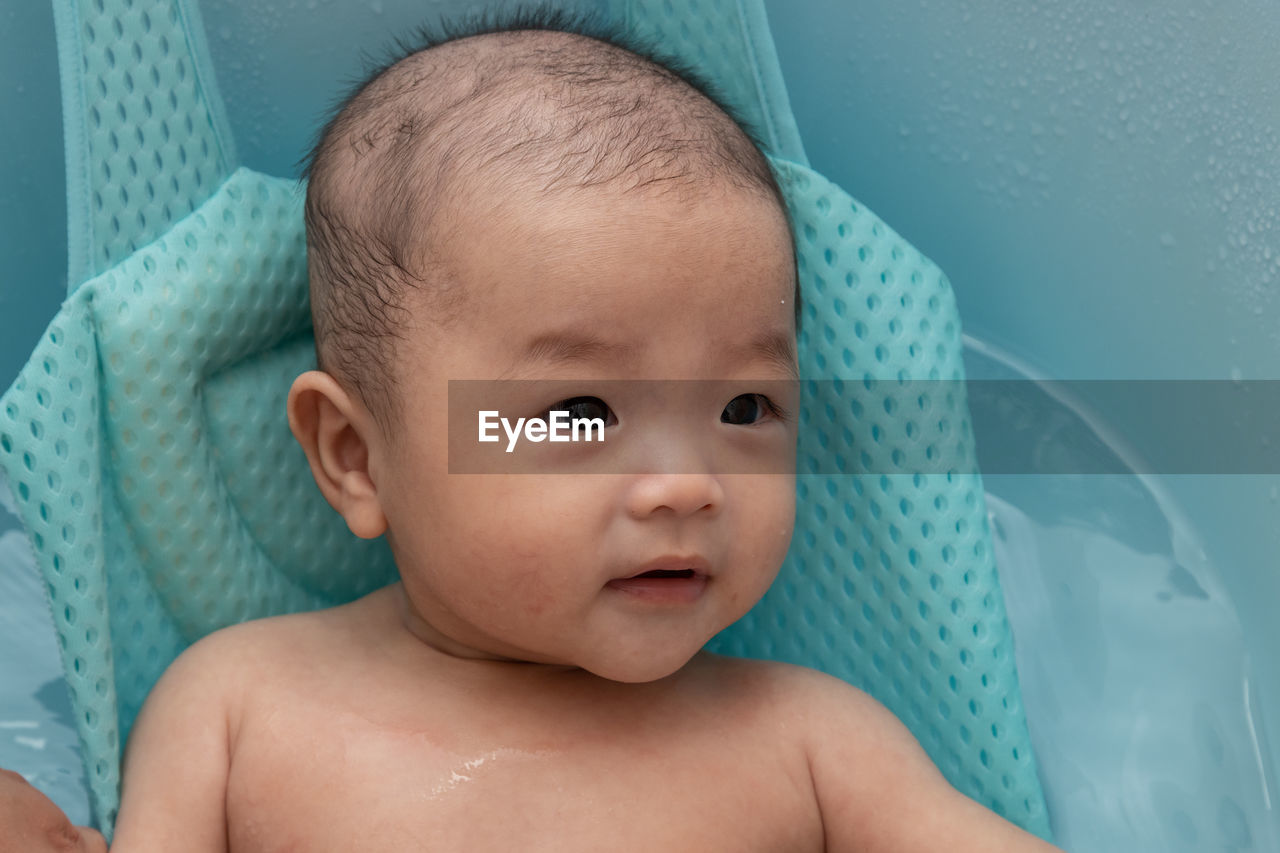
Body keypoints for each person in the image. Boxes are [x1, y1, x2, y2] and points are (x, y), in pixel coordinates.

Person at [12, 12, 1062, 851]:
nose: (685, 484)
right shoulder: (237, 708)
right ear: (352, 456)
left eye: (743, 407)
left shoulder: (809, 742)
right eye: (578, 413)